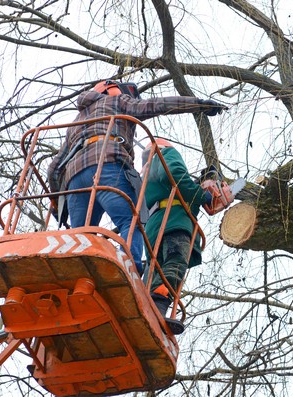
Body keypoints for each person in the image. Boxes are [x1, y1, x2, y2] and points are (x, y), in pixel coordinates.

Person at [47, 80, 226, 274]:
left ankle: (76, 275)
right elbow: (158, 105)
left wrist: (58, 202)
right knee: (132, 220)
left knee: (80, 237)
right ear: (112, 90)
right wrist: (199, 104)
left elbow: (54, 168)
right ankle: (130, 268)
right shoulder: (116, 102)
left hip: (75, 180)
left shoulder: (75, 123)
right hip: (107, 166)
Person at [141, 138, 211, 334]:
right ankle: (160, 304)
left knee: (157, 268)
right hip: (173, 221)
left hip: (155, 226)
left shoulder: (146, 173)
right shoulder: (167, 155)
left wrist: (196, 189)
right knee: (176, 260)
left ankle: (151, 307)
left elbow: (173, 188)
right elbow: (176, 175)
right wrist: (200, 194)